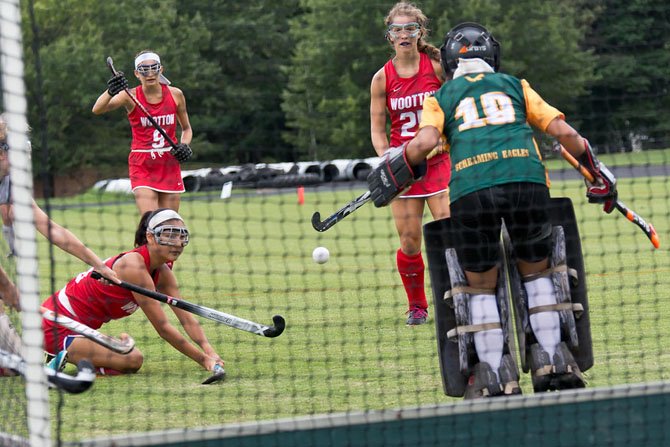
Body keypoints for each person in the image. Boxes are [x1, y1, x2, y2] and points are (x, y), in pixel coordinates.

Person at [367, 23, 616, 396]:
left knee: (479, 283)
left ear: (450, 63)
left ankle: (495, 374)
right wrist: (596, 174)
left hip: (471, 190)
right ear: (493, 57)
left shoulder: (442, 97)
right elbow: (564, 133)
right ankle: (553, 360)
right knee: (537, 272)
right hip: (526, 183)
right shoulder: (517, 85)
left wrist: (396, 166)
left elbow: (426, 142)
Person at [41, 208, 225, 376]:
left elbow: (186, 316)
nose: (177, 243)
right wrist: (204, 360)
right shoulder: (134, 267)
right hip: (55, 326)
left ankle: (65, 359)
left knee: (128, 359)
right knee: (132, 359)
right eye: (168, 236)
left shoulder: (162, 271)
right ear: (151, 237)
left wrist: (209, 350)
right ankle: (57, 359)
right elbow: (163, 328)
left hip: (80, 330)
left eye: (181, 236)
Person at [370, 2, 451, 325]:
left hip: (440, 162)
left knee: (448, 230)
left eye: (410, 29)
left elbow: (454, 108)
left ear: (420, 33)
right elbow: (378, 131)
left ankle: (456, 294)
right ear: (389, 36)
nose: (404, 35)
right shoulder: (381, 78)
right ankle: (417, 306)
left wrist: (445, 140)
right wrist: (387, 160)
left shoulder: (437, 67)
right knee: (409, 240)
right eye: (397, 30)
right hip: (403, 168)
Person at [92, 50, 193, 215]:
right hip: (142, 163)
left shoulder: (176, 95)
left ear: (161, 69)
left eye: (154, 68)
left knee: (169, 224)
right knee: (151, 221)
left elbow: (187, 129)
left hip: (169, 162)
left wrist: (184, 145)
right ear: (137, 73)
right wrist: (110, 90)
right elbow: (97, 109)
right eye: (144, 70)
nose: (150, 73)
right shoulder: (130, 96)